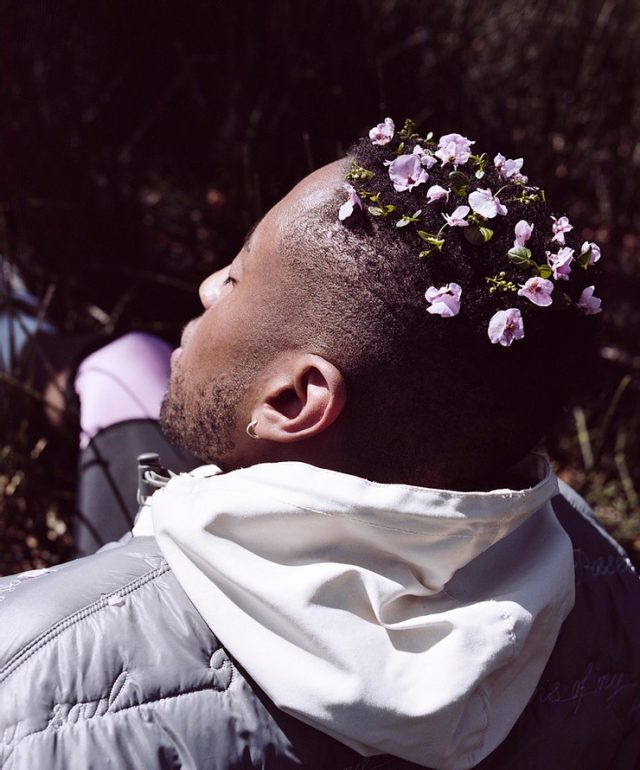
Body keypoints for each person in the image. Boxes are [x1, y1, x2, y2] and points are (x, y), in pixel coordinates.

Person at [1, 119, 639, 770]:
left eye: (237, 276)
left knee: (118, 369)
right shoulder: (611, 590)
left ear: (294, 401)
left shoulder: (30, 666)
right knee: (129, 360)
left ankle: (17, 336)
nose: (207, 285)